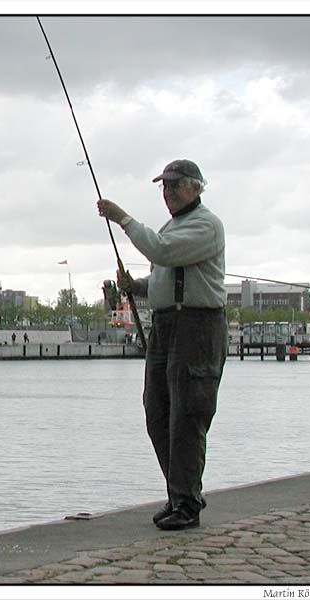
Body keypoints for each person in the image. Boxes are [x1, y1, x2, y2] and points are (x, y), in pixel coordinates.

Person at [97, 159, 227, 531]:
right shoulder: (173, 227)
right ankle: (178, 494)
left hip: (197, 327)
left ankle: (187, 502)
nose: (167, 194)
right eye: (164, 188)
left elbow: (162, 252)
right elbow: (163, 272)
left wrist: (123, 219)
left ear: (195, 188)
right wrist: (136, 287)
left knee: (187, 414)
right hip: (166, 326)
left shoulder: (205, 225)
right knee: (158, 412)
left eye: (173, 186)